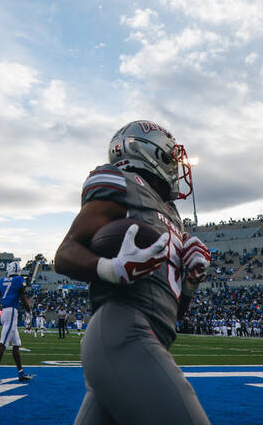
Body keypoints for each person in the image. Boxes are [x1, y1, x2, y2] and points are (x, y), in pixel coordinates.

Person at [55, 120, 212, 425]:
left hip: (147, 335)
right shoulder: (123, 184)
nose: (175, 167)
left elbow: (174, 313)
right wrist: (111, 268)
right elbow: (64, 254)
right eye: (170, 158)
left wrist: (189, 283)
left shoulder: (170, 213)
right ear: (146, 152)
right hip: (122, 330)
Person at [0, 261, 33, 382]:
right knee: (3, 343)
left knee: (16, 344)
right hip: (12, 312)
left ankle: (21, 373)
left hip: (4, 312)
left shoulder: (2, 281)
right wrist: (29, 311)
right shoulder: (19, 280)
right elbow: (23, 298)